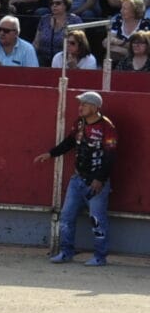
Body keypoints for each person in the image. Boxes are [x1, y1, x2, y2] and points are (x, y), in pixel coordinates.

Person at [38, 88, 117, 265]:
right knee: (66, 217)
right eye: (80, 104)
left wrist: (100, 179)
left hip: (96, 182)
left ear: (95, 107)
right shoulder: (80, 123)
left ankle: (100, 256)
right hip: (78, 178)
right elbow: (70, 142)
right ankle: (66, 252)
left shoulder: (107, 127)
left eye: (85, 104)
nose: (80, 107)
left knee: (97, 219)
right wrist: (51, 153)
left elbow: (110, 156)